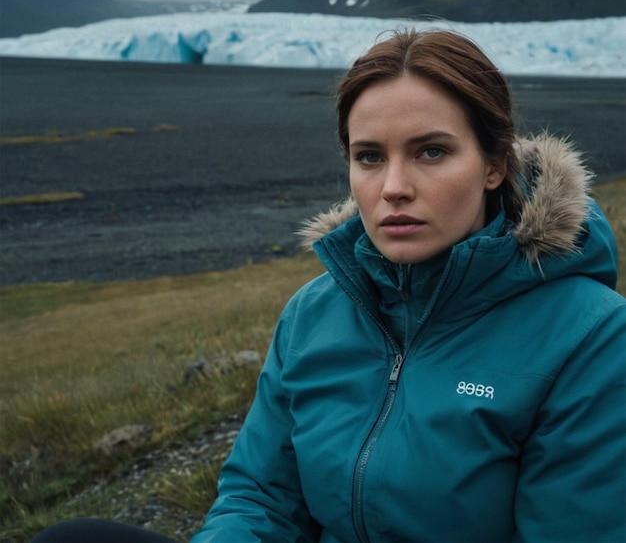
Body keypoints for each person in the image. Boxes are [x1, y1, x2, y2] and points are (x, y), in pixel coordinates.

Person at [32, 29, 625, 543]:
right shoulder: (313, 315)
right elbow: (260, 498)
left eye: (432, 152)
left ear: (494, 164)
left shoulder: (591, 336)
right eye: (369, 157)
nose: (393, 186)